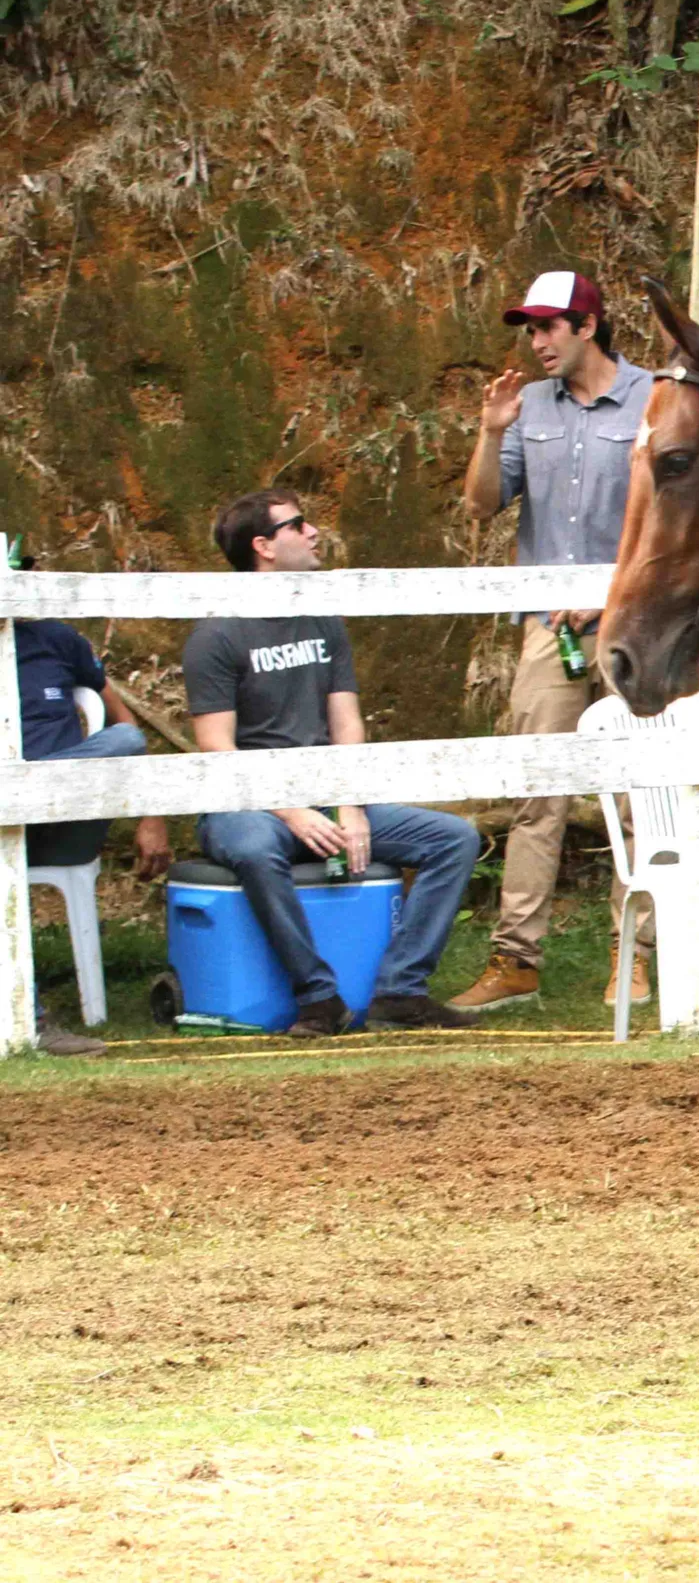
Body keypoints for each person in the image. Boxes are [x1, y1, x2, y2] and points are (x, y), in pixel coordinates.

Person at [183, 490, 481, 1038]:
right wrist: (292, 812)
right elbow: (216, 748)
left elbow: (346, 723)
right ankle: (318, 999)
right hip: (248, 805)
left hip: (328, 793)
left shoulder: (322, 616)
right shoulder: (216, 634)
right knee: (252, 849)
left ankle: (401, 990)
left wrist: (350, 804)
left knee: (453, 838)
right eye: (298, 525)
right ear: (263, 547)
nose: (314, 531)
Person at [452, 270, 655, 1013]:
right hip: (546, 632)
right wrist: (491, 430)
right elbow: (480, 505)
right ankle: (517, 961)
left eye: (547, 327)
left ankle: (634, 956)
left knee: (640, 800)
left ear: (588, 325)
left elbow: (672, 517)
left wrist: (605, 593)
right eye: (530, 329)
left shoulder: (654, 397)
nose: (536, 342)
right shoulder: (528, 404)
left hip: (634, 622)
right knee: (538, 796)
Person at [9, 539, 172, 1056]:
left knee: (124, 741)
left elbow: (123, 725)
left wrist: (152, 816)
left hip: (63, 818)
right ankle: (30, 1021)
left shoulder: (55, 640)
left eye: (21, 575)